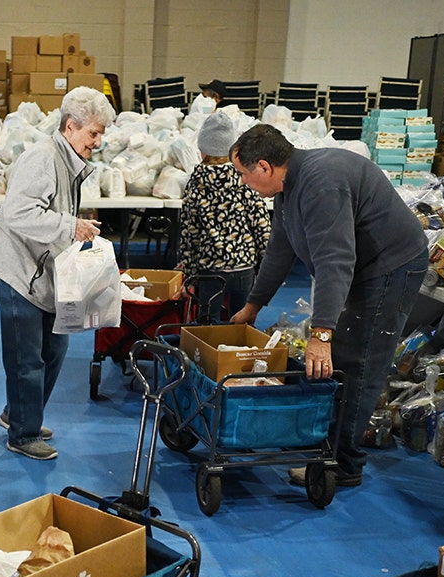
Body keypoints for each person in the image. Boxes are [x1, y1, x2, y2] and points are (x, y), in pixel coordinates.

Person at [228, 124, 427, 488]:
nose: (243, 182)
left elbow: (335, 260)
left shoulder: (320, 185)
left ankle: (343, 465)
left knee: (357, 363)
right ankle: (327, 446)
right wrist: (254, 305)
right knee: (343, 359)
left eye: (243, 173)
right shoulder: (289, 188)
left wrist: (322, 333)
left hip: (390, 266)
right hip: (365, 266)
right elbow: (280, 249)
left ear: (263, 167)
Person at [0, 86, 116, 461]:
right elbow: (17, 214)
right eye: (94, 133)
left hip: (41, 271)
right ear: (71, 127)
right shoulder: (42, 158)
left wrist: (73, 225)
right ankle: (22, 435)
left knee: (55, 347)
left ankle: (19, 414)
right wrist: (69, 226)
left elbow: (48, 211)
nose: (98, 141)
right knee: (27, 358)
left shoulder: (69, 158)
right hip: (16, 272)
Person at [178, 112, 271, 317]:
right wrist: (267, 265)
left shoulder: (195, 182)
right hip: (243, 266)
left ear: (202, 148)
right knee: (242, 325)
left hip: (210, 269)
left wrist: (189, 273)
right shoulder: (245, 177)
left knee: (208, 328)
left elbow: (189, 232)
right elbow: (262, 225)